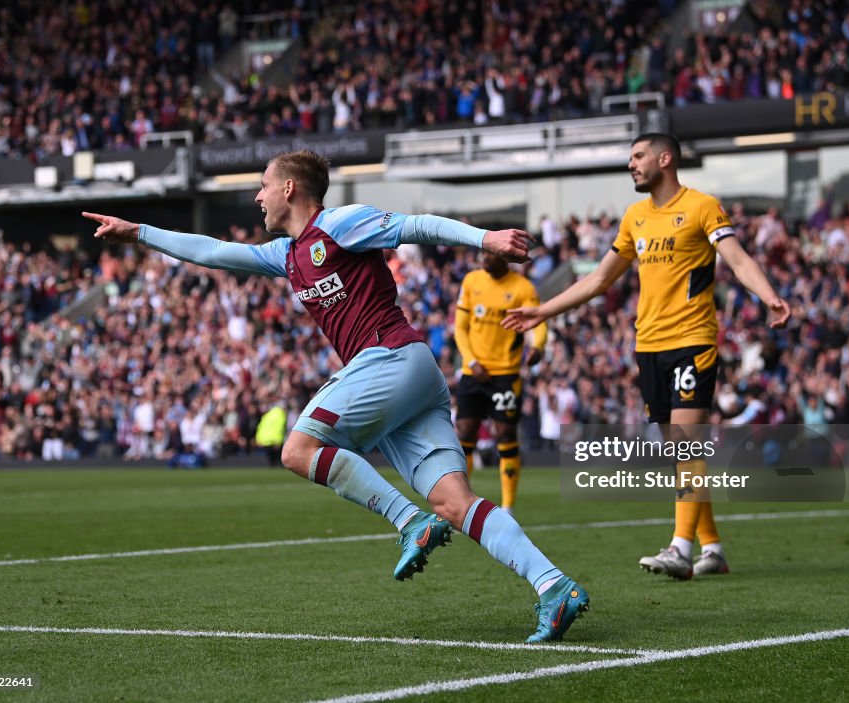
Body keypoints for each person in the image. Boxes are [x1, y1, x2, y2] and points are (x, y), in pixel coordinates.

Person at [83, 149, 588, 642]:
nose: (257, 198)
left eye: (262, 185)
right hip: (409, 376)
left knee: (297, 449)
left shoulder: (341, 224)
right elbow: (213, 252)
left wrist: (487, 238)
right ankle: (554, 587)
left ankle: (409, 521)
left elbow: (417, 226)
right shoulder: (286, 254)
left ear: (288, 188)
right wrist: (140, 233)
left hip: (389, 357)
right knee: (454, 502)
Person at [503, 133, 791, 580]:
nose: (631, 165)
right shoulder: (635, 218)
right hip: (648, 347)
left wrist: (770, 297)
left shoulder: (702, 206)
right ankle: (711, 547)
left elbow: (737, 259)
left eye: (638, 156)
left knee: (687, 442)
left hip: (693, 340)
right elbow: (600, 280)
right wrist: (543, 309)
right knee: (680, 448)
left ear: (665, 157)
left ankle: (680, 548)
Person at [454, 251, 546, 513]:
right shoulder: (472, 281)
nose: (483, 258)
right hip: (473, 372)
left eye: (490, 254)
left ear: (505, 258)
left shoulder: (522, 287)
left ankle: (508, 507)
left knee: (505, 434)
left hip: (505, 374)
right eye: (482, 252)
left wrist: (538, 346)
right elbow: (460, 327)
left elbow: (537, 322)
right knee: (465, 433)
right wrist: (472, 362)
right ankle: (462, 501)